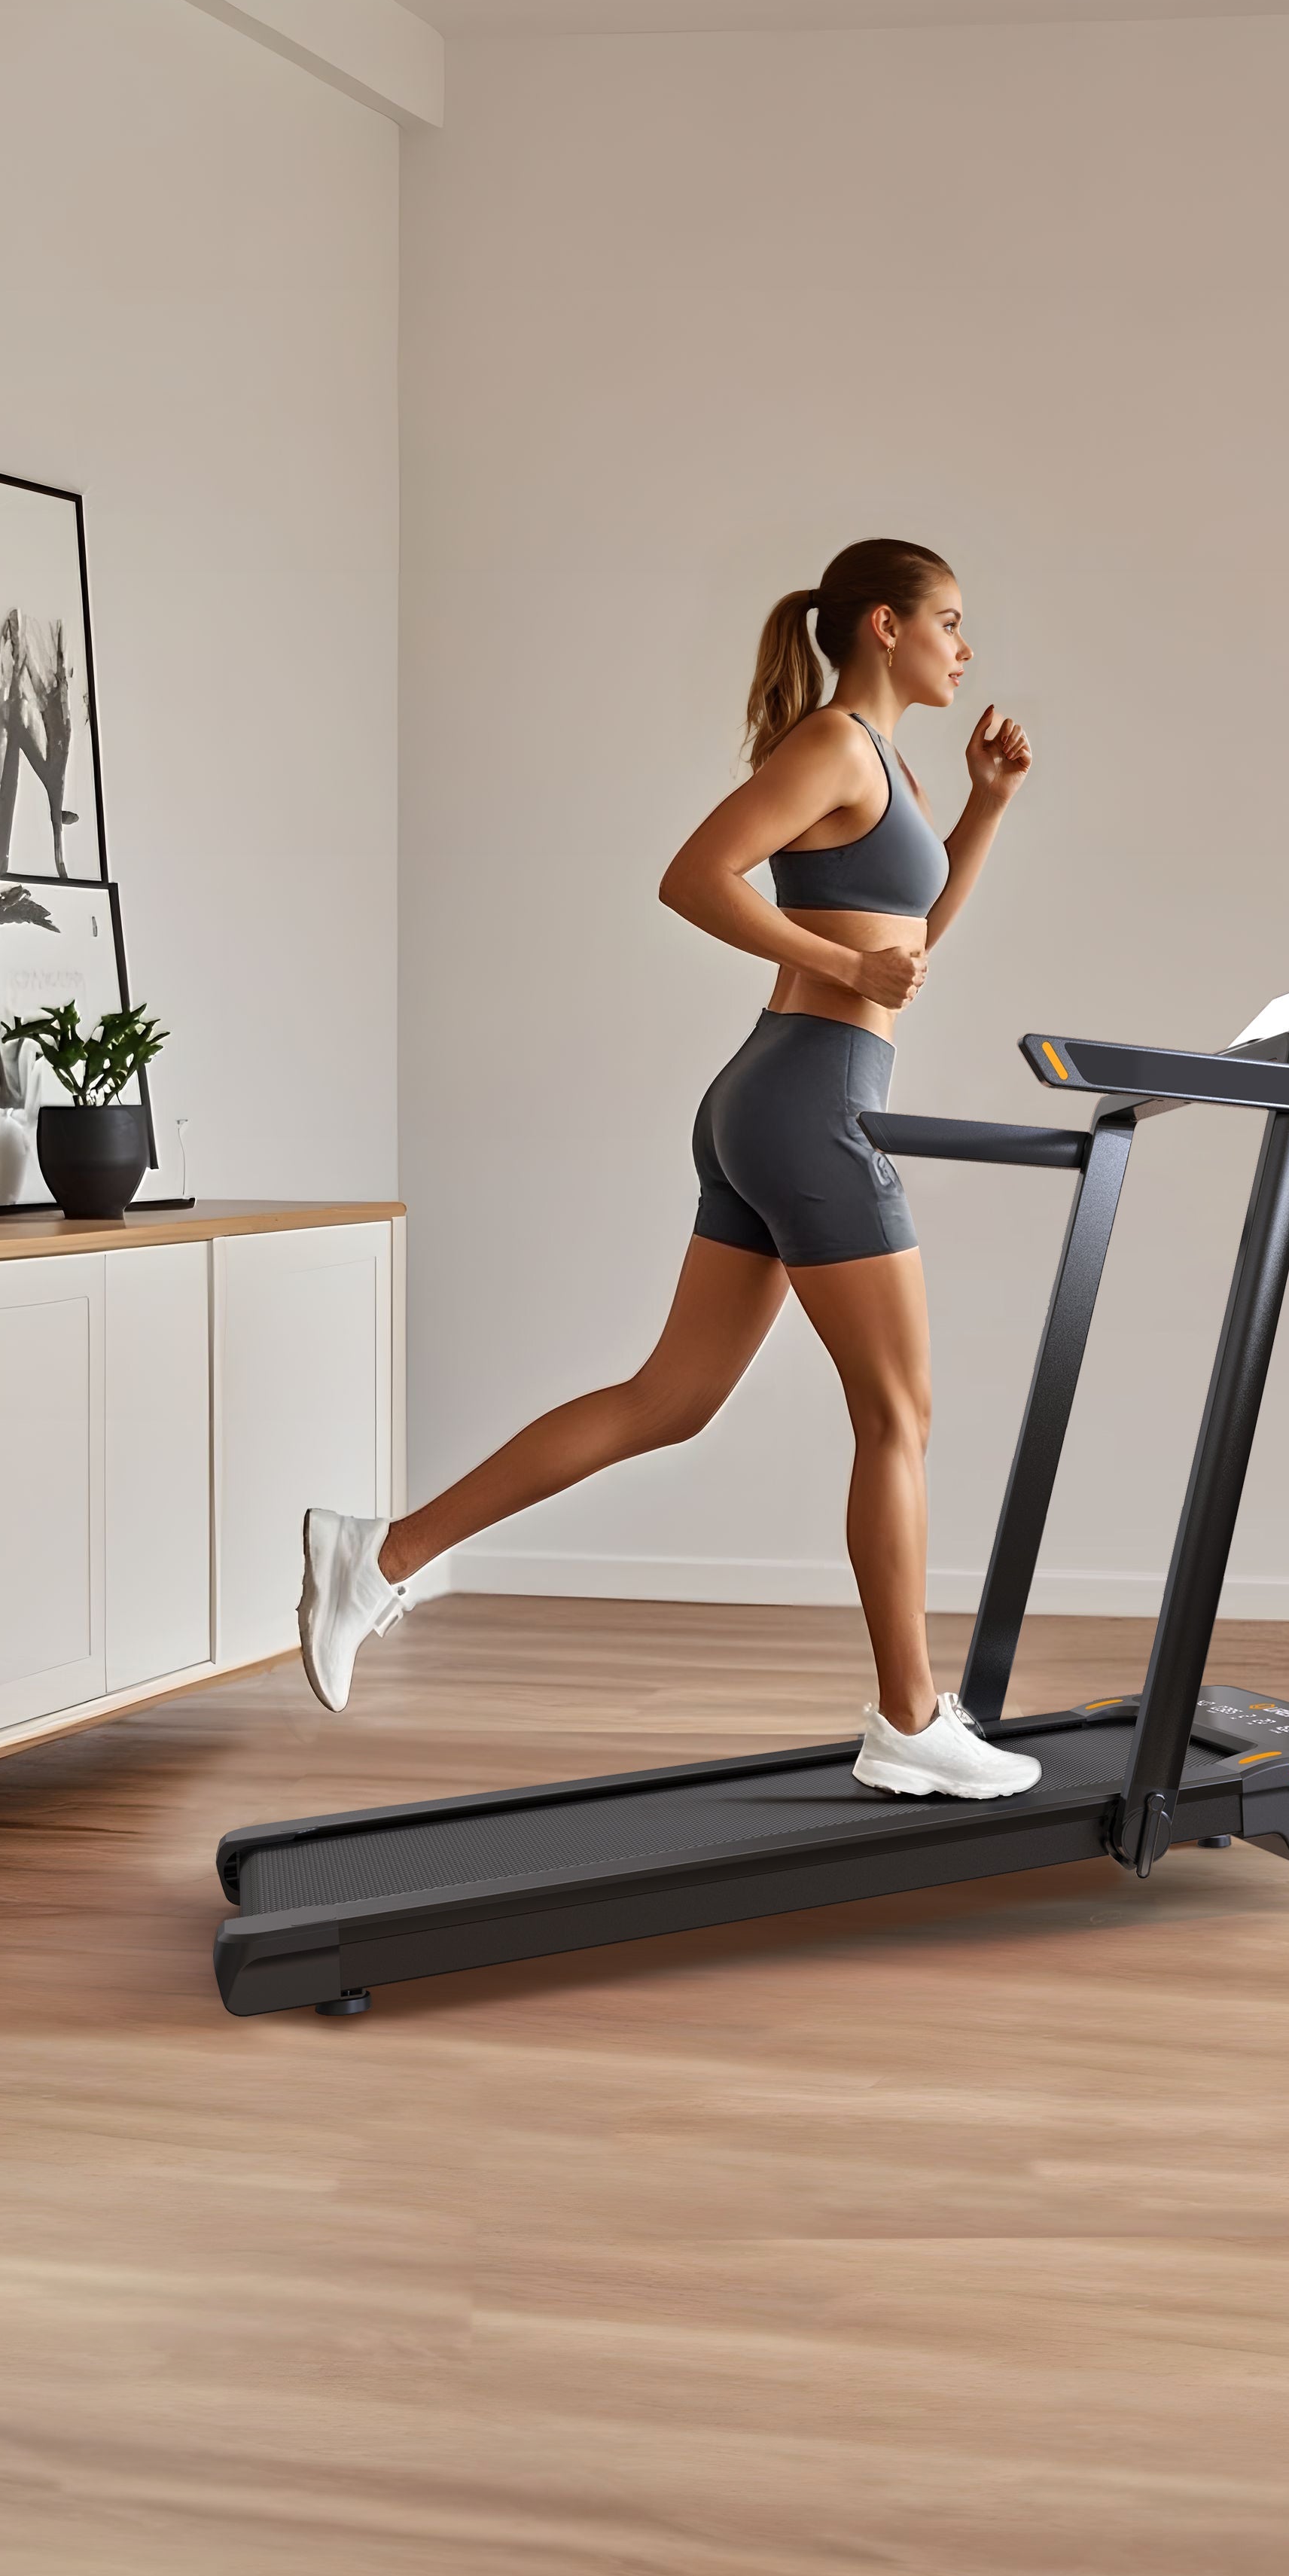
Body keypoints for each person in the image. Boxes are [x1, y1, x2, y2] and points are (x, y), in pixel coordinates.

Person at [296, 537, 1049, 1802]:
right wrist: (847, 966)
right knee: (898, 1416)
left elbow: (910, 938)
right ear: (883, 624)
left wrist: (981, 809)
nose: (966, 648)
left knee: (671, 1398)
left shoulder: (891, 765)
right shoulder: (830, 747)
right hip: (809, 1101)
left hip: (781, 1096)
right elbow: (693, 878)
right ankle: (909, 1719)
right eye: (953, 622)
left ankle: (379, 1553)